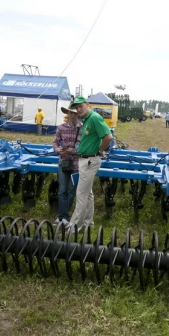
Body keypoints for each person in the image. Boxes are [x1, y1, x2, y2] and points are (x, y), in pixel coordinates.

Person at [67, 96, 112, 233]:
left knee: (81, 194)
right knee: (88, 194)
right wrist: (98, 149)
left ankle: (74, 228)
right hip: (86, 160)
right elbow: (96, 137)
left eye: (81, 106)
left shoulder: (94, 118)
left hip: (89, 161)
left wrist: (100, 150)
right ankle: (88, 223)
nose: (78, 110)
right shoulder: (87, 120)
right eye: (76, 108)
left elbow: (108, 137)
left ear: (87, 104)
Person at [52, 106, 82, 227]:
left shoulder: (82, 128)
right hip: (63, 162)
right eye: (72, 113)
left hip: (76, 164)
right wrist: (58, 150)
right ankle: (63, 216)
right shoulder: (61, 128)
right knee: (62, 190)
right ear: (68, 114)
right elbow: (55, 142)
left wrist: (73, 150)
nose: (74, 115)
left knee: (71, 191)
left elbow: (83, 147)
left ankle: (63, 216)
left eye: (76, 113)